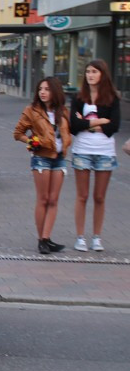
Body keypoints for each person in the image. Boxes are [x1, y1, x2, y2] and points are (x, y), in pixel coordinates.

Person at [13, 77, 71, 254]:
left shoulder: (63, 111)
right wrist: (31, 141)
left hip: (59, 158)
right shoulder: (32, 110)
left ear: (55, 91)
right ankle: (41, 240)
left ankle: (47, 237)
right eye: (40, 89)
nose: (43, 92)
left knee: (53, 200)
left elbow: (69, 131)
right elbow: (18, 133)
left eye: (47, 89)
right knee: (43, 199)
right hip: (41, 158)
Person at [69, 59, 121, 252]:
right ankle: (80, 237)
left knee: (99, 197)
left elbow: (114, 126)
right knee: (82, 196)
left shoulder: (111, 98)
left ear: (102, 75)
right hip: (82, 150)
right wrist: (100, 122)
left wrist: (87, 123)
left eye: (95, 72)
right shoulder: (78, 98)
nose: (90, 75)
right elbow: (74, 126)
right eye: (88, 71)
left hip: (105, 152)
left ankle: (96, 237)